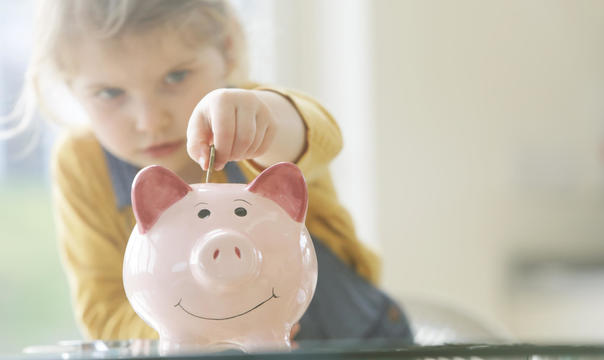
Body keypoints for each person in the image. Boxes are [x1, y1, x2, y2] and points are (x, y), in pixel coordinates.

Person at [19, 0, 412, 344]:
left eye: (176, 77)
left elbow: (322, 137)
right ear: (72, 88)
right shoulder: (83, 165)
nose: (150, 120)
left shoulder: (261, 124)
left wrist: (265, 121)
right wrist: (203, 331)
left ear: (226, 50)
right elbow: (104, 315)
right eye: (110, 93)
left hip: (355, 342)